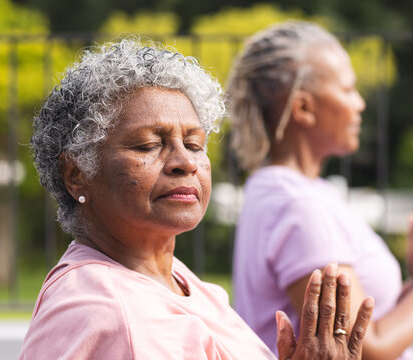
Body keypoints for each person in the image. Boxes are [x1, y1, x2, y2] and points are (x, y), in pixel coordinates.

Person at [20, 38, 375, 359]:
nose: (185, 162)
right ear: (76, 174)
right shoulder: (112, 312)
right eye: (148, 145)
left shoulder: (171, 278)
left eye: (194, 144)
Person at [228, 21, 413, 360]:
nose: (360, 103)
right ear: (304, 108)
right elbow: (365, 348)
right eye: (348, 90)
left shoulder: (292, 190)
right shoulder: (298, 205)